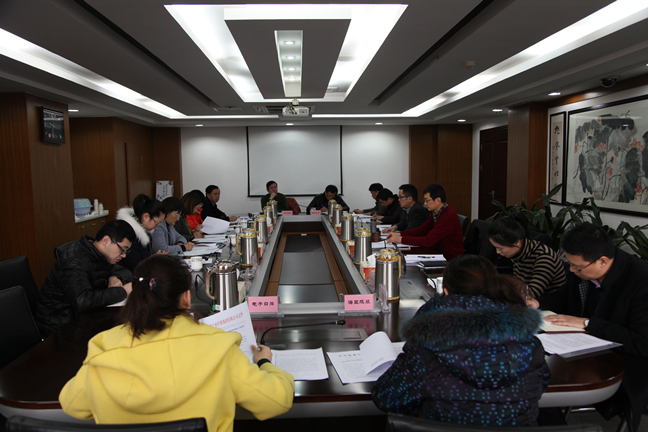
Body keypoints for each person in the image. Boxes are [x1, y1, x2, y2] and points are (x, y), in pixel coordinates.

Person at [59, 255, 294, 432]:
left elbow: (72, 405)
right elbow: (275, 400)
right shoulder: (218, 347)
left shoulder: (104, 348)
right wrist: (264, 363)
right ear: (186, 298)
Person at [372, 255, 549, 426]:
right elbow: (540, 383)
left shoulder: (427, 344)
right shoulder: (529, 343)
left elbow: (387, 399)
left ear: (446, 292)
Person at [529, 223, 648, 432]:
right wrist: (538, 303)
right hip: (580, 347)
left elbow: (642, 343)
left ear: (602, 261)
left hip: (625, 361)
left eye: (577, 267)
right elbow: (564, 296)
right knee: (535, 374)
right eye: (571, 265)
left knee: (537, 382)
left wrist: (588, 323)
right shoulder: (583, 271)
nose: (572, 270)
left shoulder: (641, 281)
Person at [35, 220, 136, 337]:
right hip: (60, 326)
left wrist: (114, 277)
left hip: (85, 317)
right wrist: (123, 291)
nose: (124, 255)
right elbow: (83, 301)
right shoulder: (74, 260)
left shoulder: (102, 254)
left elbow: (126, 272)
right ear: (106, 241)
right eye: (122, 249)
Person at [488, 213, 566, 298]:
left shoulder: (544, 257)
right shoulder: (519, 252)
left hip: (546, 303)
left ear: (516, 242)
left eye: (500, 248)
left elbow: (531, 294)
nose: (498, 252)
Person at [386, 184, 463, 260]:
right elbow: (422, 230)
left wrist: (401, 239)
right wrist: (399, 234)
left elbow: (428, 240)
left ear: (438, 200)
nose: (425, 204)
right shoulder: (436, 213)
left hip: (450, 259)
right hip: (438, 253)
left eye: (427, 200)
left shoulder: (448, 216)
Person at [116, 194, 167, 272]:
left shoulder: (145, 232)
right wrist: (154, 261)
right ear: (146, 217)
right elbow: (135, 266)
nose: (156, 227)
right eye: (156, 223)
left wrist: (155, 258)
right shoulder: (129, 235)